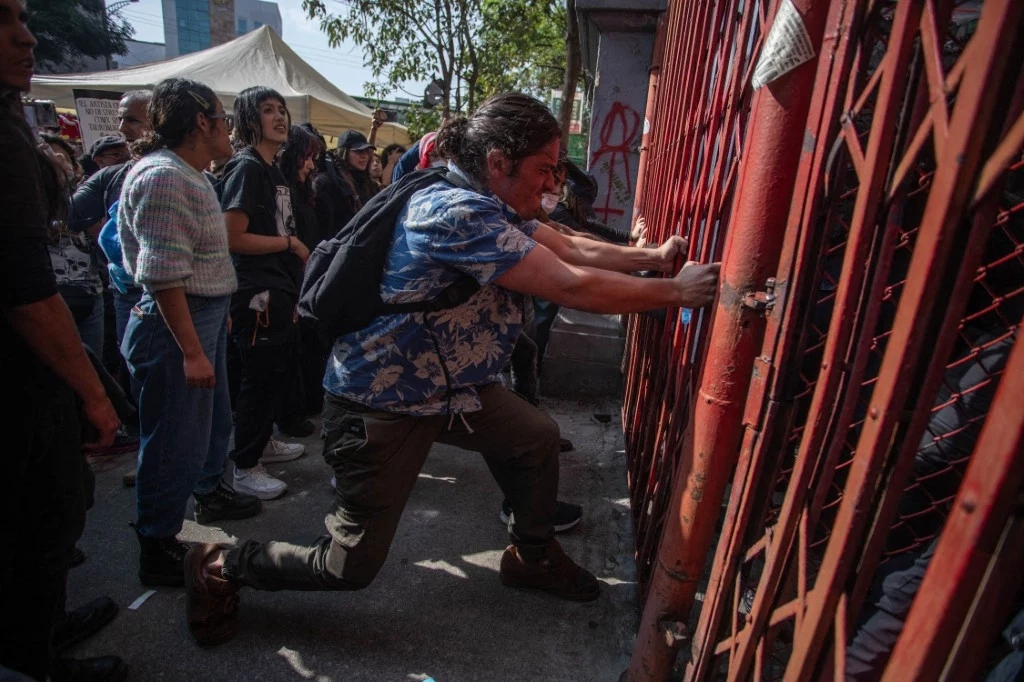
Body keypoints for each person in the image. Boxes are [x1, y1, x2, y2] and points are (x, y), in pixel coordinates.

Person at [183, 93, 720, 646]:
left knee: (534, 438)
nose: (551, 184)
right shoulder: (457, 212)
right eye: (542, 169)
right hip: (381, 403)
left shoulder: (484, 200)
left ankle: (531, 557)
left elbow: (569, 249)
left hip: (449, 388)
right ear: (497, 162)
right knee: (348, 564)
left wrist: (651, 258)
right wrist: (675, 290)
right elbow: (568, 283)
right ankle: (222, 564)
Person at [0, 1, 125, 678]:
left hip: (33, 373)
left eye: (22, 14)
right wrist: (93, 394)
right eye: (3, 20)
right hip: (21, 384)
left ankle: (40, 630)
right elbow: (26, 292)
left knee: (53, 514)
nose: (27, 34)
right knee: (42, 520)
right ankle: (33, 658)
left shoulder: (10, 125)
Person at [118, 78, 262, 588]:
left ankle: (200, 501)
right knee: (172, 443)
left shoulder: (191, 175)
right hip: (175, 329)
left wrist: (214, 315)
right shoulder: (166, 178)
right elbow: (161, 274)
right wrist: (192, 350)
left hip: (198, 319)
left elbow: (193, 263)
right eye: (223, 118)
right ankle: (157, 546)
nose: (229, 130)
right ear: (201, 122)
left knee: (206, 428)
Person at [216, 86, 310, 502]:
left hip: (278, 288)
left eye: (281, 110)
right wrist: (289, 244)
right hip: (256, 292)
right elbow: (232, 238)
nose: (279, 117)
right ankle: (244, 466)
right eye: (267, 110)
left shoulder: (271, 168)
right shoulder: (247, 168)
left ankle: (263, 444)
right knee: (257, 379)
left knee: (274, 374)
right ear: (247, 120)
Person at [278, 124, 330, 416]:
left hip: (307, 279)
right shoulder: (281, 193)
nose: (311, 165)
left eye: (314, 158)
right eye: (306, 157)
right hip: (290, 283)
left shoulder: (304, 190)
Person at [311, 129, 378, 241]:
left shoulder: (370, 185)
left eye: (367, 151)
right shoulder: (326, 183)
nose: (364, 156)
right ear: (344, 152)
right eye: (358, 151)